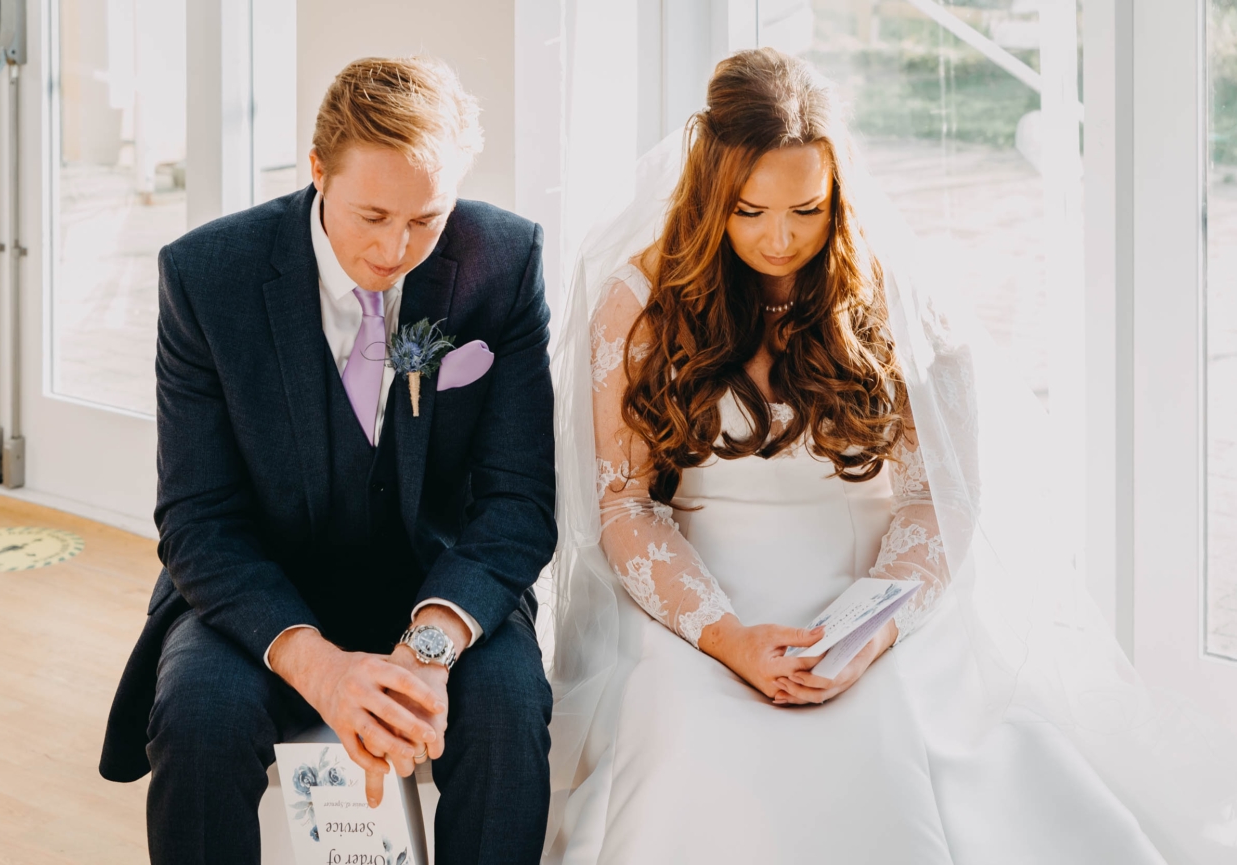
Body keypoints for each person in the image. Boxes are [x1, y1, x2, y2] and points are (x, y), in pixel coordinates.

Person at [545, 48, 1237, 863]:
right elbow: (624, 506)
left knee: (883, 735)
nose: (779, 238)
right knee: (690, 740)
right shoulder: (640, 300)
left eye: (806, 210)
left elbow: (937, 499)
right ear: (708, 197)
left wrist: (868, 630)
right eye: (749, 211)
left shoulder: (898, 291)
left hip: (868, 583)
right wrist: (729, 637)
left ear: (838, 191)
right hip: (700, 593)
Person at [98, 56, 557, 865]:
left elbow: (519, 502)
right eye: (372, 214)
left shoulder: (505, 260)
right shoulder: (207, 276)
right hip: (260, 593)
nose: (396, 249)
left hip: (439, 585)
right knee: (199, 715)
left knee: (509, 711)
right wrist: (323, 670)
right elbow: (198, 520)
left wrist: (427, 652)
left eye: (427, 219)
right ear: (317, 171)